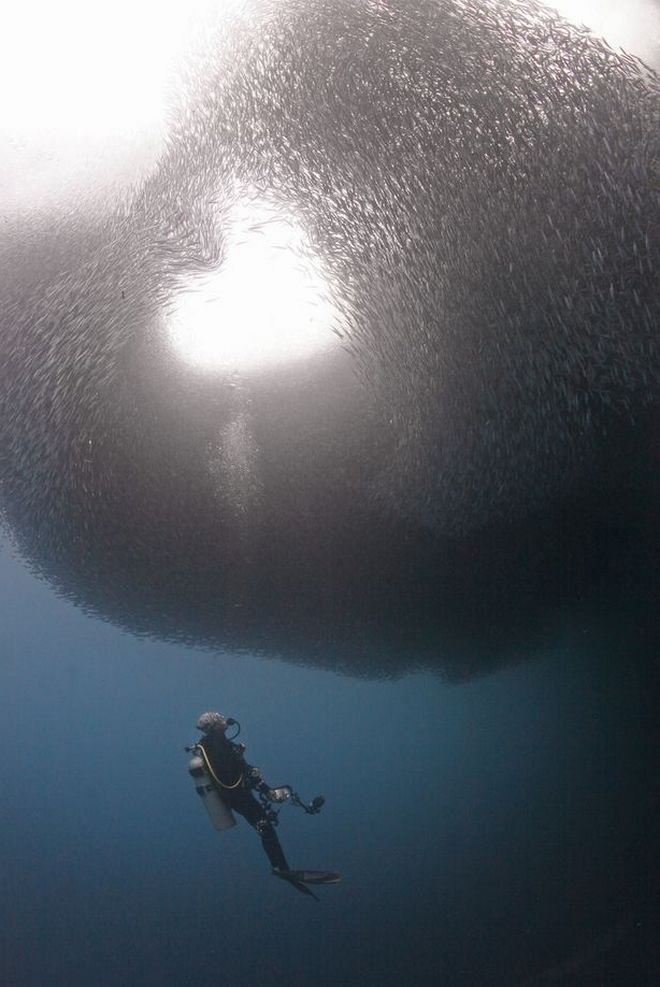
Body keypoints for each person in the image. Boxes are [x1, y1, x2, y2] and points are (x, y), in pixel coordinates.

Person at [193, 711, 339, 898]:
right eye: (219, 718)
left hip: (234, 796)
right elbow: (236, 771)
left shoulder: (209, 745)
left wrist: (257, 781)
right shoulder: (218, 744)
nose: (224, 720)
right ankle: (280, 868)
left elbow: (235, 770)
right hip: (239, 795)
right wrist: (263, 787)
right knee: (265, 827)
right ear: (214, 725)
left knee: (264, 827)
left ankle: (280, 867)